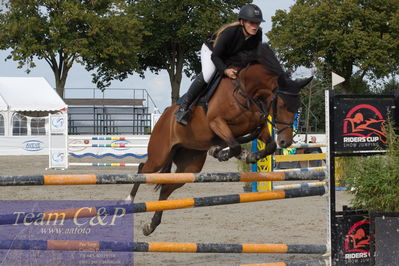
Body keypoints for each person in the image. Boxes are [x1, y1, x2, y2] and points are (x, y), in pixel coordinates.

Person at [175, 4, 264, 126]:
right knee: (208, 74)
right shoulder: (230, 32)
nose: (255, 26)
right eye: (252, 22)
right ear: (242, 22)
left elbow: (254, 56)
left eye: (257, 23)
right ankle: (183, 107)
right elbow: (215, 56)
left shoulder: (258, 34)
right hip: (212, 52)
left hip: (232, 56)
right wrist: (225, 71)